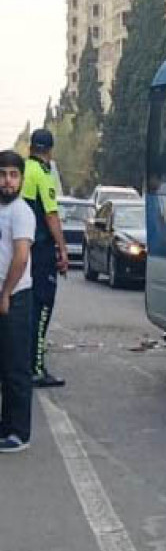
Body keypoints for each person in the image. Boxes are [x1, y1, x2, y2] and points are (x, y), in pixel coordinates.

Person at [22, 128, 69, 388]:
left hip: (21, 251)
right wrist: (62, 250)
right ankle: (36, 367)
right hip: (40, 252)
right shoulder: (42, 174)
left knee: (24, 309)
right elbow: (51, 216)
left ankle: (22, 362)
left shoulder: (20, 172)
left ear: (31, 148)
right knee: (42, 308)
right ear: (49, 152)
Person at [0, 150, 35, 452]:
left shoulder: (22, 212)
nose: (7, 181)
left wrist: (6, 294)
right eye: (2, 174)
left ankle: (19, 433)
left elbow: (21, 256)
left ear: (21, 179)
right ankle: (5, 424)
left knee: (15, 367)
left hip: (16, 297)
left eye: (13, 175)